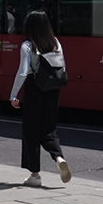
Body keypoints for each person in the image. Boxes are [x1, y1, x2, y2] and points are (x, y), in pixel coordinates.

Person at [9, 10, 73, 187]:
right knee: (49, 129)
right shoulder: (56, 42)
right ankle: (58, 157)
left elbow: (23, 72)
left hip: (35, 88)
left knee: (31, 131)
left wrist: (13, 95)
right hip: (54, 89)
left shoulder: (28, 45)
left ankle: (35, 175)